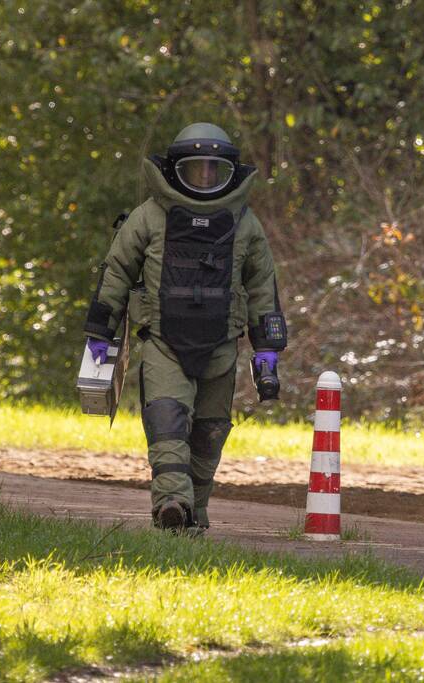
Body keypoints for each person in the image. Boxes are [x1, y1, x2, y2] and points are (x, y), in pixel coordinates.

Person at [83, 122, 287, 532]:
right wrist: (100, 334)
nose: (206, 178)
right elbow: (117, 273)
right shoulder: (149, 217)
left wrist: (267, 348)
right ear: (177, 170)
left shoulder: (244, 223)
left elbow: (262, 285)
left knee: (209, 433)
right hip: (163, 340)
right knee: (167, 420)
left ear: (229, 172)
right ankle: (172, 505)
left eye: (215, 170)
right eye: (197, 169)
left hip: (222, 344)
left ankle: (196, 510)